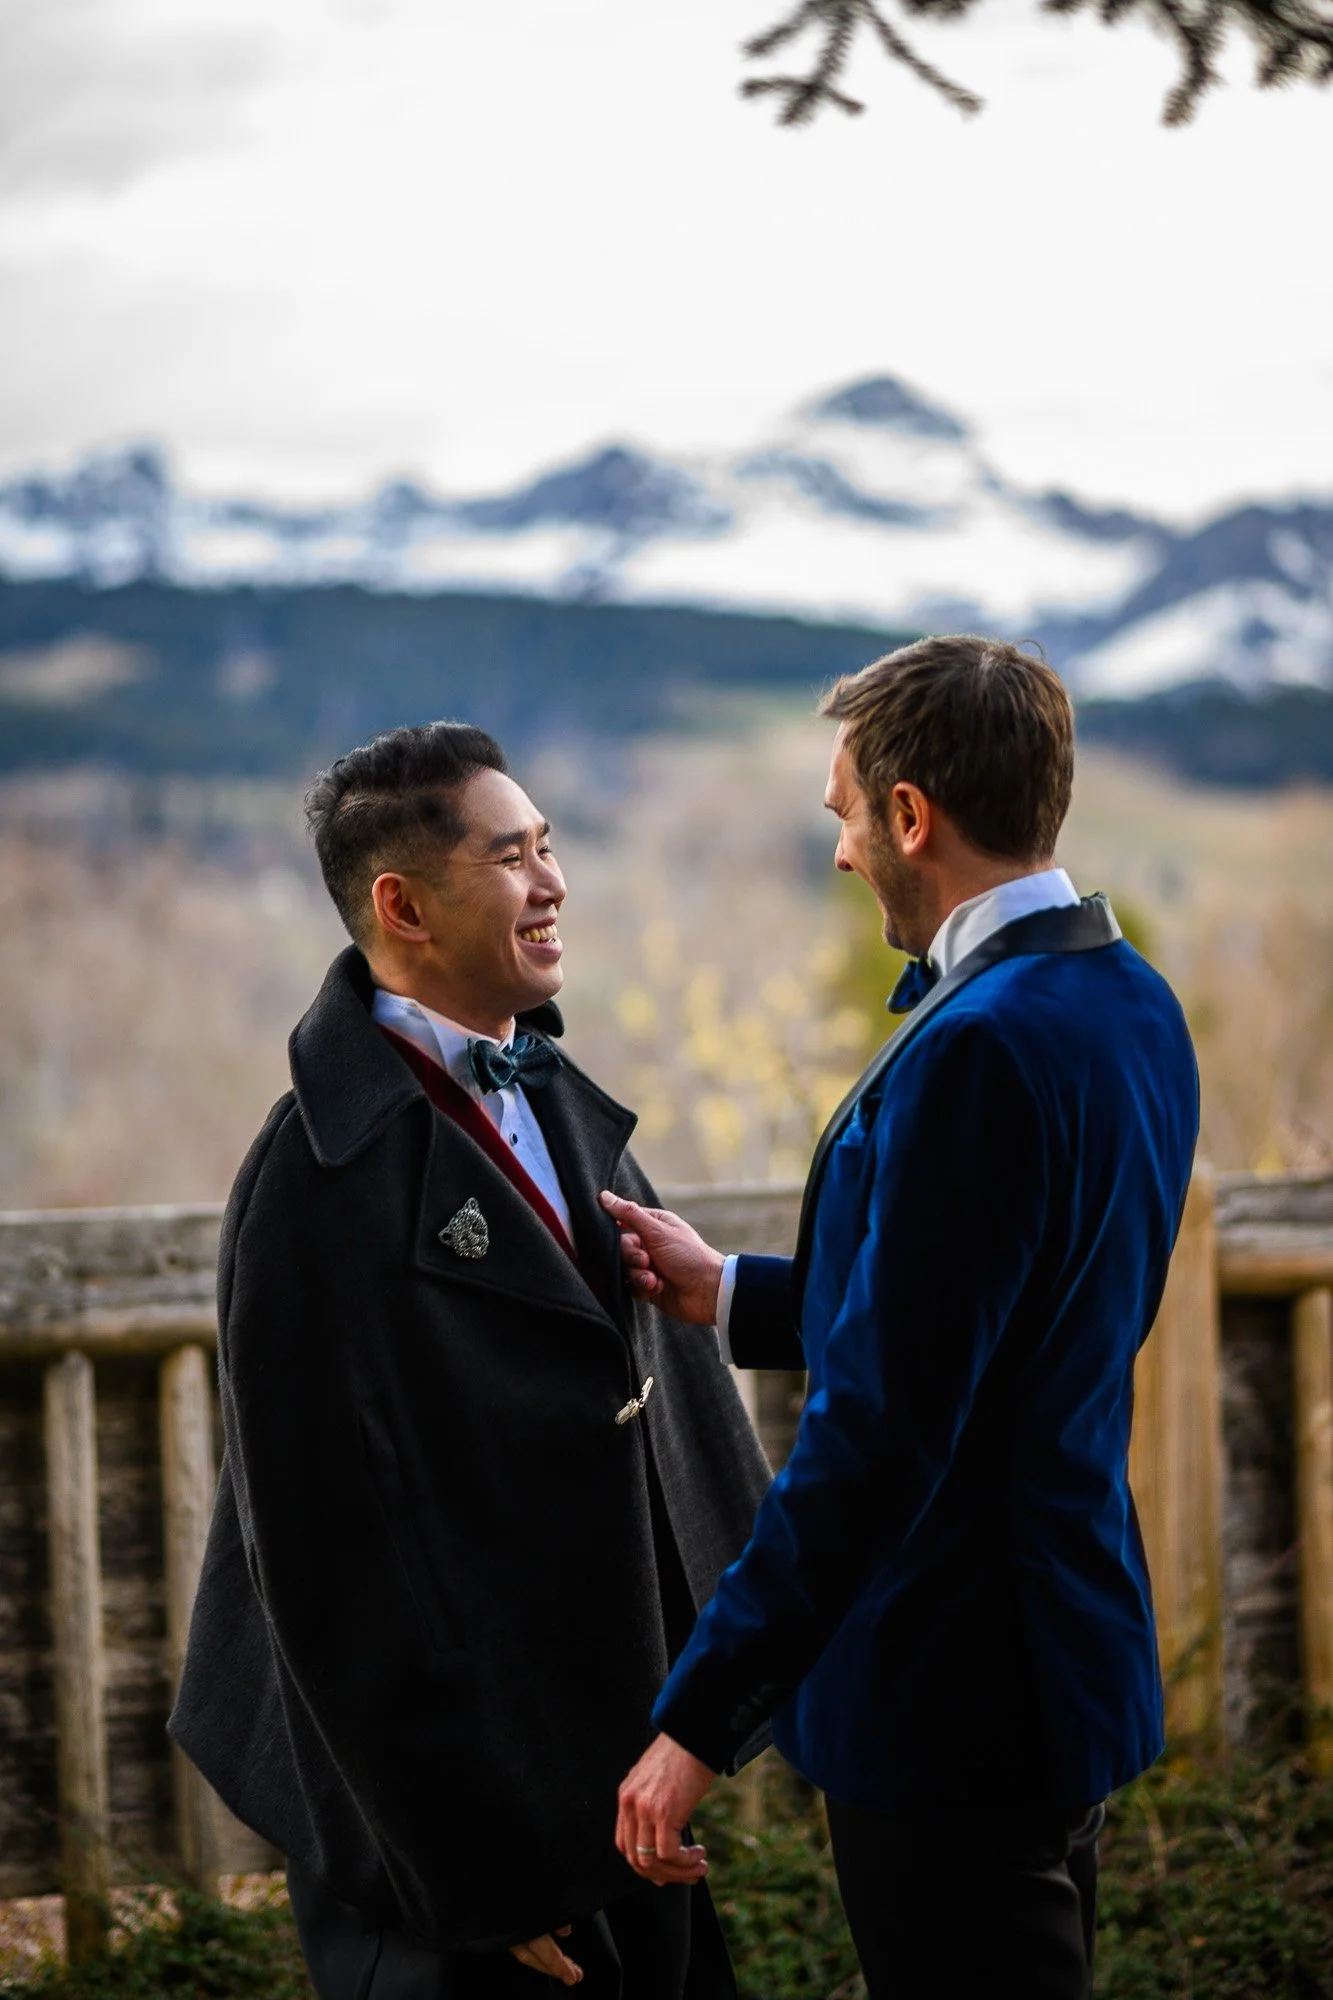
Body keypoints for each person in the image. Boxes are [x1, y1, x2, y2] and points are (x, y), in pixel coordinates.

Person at [601, 637, 1200, 2000]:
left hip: (950, 1698)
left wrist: (699, 1719)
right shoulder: (1129, 999)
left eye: (847, 815)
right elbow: (1004, 1313)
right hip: (1057, 1660)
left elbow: (881, 1434)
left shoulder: (979, 1047)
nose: (841, 851)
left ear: (911, 815)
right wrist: (732, 1289)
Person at [169, 722, 771, 2000]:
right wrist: (466, 1867)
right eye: (511, 857)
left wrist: (717, 1686)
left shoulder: (553, 1089)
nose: (554, 883)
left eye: (548, 846)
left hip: (614, 1769)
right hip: (446, 1827)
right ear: (402, 906)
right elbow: (319, 1567)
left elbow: (650, 1400)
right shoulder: (307, 1183)